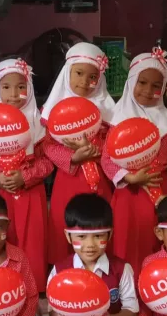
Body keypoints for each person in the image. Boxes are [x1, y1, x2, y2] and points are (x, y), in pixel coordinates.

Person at [101, 47, 167, 273]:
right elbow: (106, 159)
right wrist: (129, 177)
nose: (148, 91)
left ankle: (156, 285)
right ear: (131, 82)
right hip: (128, 195)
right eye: (142, 83)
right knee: (126, 241)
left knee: (156, 241)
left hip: (161, 195)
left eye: (156, 86)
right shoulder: (118, 119)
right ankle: (127, 287)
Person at [0, 59, 53, 291]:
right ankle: (4, 289)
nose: (13, 94)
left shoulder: (38, 122)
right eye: (6, 87)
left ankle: (34, 291)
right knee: (2, 239)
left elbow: (48, 159)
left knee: (33, 242)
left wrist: (26, 177)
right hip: (0, 196)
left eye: (21, 87)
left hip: (31, 193)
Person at [41, 43, 116, 264]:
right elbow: (48, 146)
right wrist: (73, 158)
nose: (84, 82)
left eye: (92, 77)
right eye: (79, 73)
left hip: (101, 179)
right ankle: (65, 271)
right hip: (69, 179)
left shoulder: (109, 111)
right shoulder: (54, 108)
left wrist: (95, 151)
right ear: (68, 73)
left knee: (100, 222)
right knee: (65, 223)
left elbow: (114, 143)